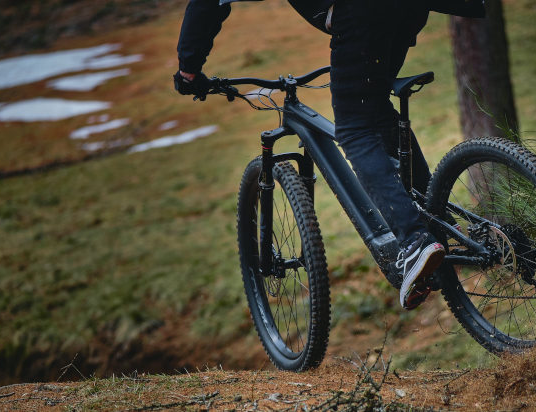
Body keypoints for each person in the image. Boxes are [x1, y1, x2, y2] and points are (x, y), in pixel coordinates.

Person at [173, 0, 485, 309]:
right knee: (375, 109)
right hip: (409, 9)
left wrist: (188, 70)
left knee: (355, 130)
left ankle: (415, 241)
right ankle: (439, 224)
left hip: (363, 12)